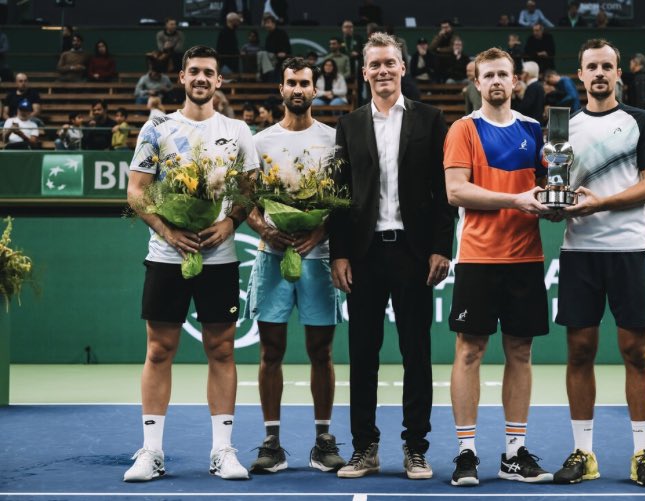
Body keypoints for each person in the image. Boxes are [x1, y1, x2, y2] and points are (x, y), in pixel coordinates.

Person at [124, 44, 258, 483]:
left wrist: (231, 223)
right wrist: (169, 232)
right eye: (194, 72)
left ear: (219, 82)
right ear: (181, 78)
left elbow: (248, 191)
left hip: (219, 257)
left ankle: (222, 451)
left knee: (220, 349)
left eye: (210, 73)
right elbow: (137, 191)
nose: (201, 79)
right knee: (159, 350)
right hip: (166, 255)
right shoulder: (156, 129)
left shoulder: (237, 130)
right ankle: (151, 451)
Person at [329, 32, 454, 480]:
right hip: (362, 256)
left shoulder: (432, 120)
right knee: (363, 355)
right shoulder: (349, 125)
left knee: (416, 353)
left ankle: (415, 447)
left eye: (390, 63)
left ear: (403, 68)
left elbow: (445, 193)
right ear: (364, 72)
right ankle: (364, 447)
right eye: (374, 64)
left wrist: (442, 246)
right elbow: (339, 196)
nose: (383, 70)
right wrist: (338, 253)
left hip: (413, 253)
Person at [551, 38, 645, 488]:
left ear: (619, 73)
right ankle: (584, 452)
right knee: (579, 352)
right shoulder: (562, 127)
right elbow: (557, 187)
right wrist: (555, 205)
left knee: (635, 352)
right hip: (579, 253)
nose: (599, 73)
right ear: (579, 75)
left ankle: (642, 453)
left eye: (607, 66)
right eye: (591, 67)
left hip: (629, 251)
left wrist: (598, 204)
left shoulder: (642, 121)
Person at [443, 47, 553, 487]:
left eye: (503, 75)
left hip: (526, 258)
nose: (495, 82)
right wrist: (515, 200)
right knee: (470, 351)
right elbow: (456, 191)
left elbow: (549, 186)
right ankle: (466, 452)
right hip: (478, 257)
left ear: (516, 81)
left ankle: (513, 452)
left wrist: (556, 203)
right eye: (487, 75)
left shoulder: (536, 131)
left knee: (521, 353)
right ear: (475, 81)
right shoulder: (463, 129)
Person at [244, 56, 347, 475]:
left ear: (316, 89)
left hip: (318, 259)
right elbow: (246, 204)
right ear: (281, 89)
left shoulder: (335, 140)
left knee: (321, 352)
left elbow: (342, 204)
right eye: (292, 83)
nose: (299, 89)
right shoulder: (259, 141)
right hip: (272, 256)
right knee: (271, 351)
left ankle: (323, 440)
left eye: (306, 82)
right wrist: (265, 231)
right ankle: (272, 442)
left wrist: (317, 234)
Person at [625, 53, 645, 120]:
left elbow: (640, 100)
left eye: (631, 63)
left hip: (641, 116)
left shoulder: (639, 78)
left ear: (636, 63)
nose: (629, 66)